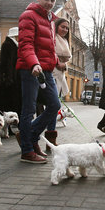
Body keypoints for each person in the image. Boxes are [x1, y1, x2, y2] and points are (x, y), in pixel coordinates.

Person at [17, 0, 61, 164]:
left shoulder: (50, 20)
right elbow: (26, 44)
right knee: (28, 110)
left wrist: (56, 60)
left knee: (54, 105)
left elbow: (47, 46)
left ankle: (29, 135)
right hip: (31, 68)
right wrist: (34, 63)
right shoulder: (29, 16)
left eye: (52, 0)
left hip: (46, 70)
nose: (49, 3)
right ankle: (27, 151)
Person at [44, 18, 72, 146]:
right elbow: (49, 52)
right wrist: (57, 62)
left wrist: (63, 64)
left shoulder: (65, 40)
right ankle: (34, 131)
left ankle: (51, 137)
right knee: (52, 106)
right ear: (56, 26)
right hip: (51, 73)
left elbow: (66, 59)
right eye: (63, 27)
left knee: (54, 107)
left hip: (60, 74)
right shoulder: (52, 37)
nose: (65, 30)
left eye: (67, 28)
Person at [0, 27, 21, 119]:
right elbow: (7, 63)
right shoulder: (8, 45)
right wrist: (8, 77)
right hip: (7, 78)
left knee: (4, 102)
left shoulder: (11, 44)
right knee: (4, 103)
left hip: (7, 78)